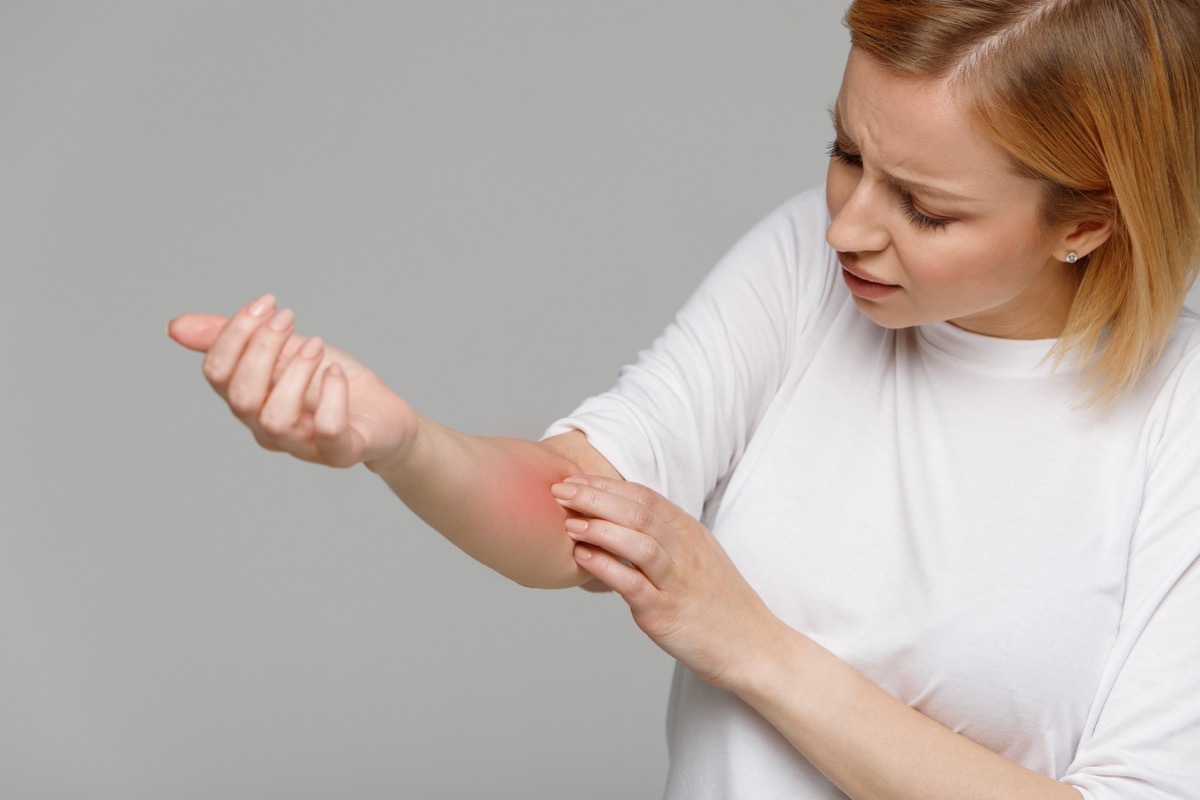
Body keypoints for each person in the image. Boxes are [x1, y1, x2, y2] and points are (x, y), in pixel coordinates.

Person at [169, 0, 1200, 797]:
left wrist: (747, 642)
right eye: (847, 153)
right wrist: (398, 441)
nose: (849, 226)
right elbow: (578, 503)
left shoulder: (1178, 414)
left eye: (926, 209)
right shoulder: (810, 264)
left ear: (1087, 224)